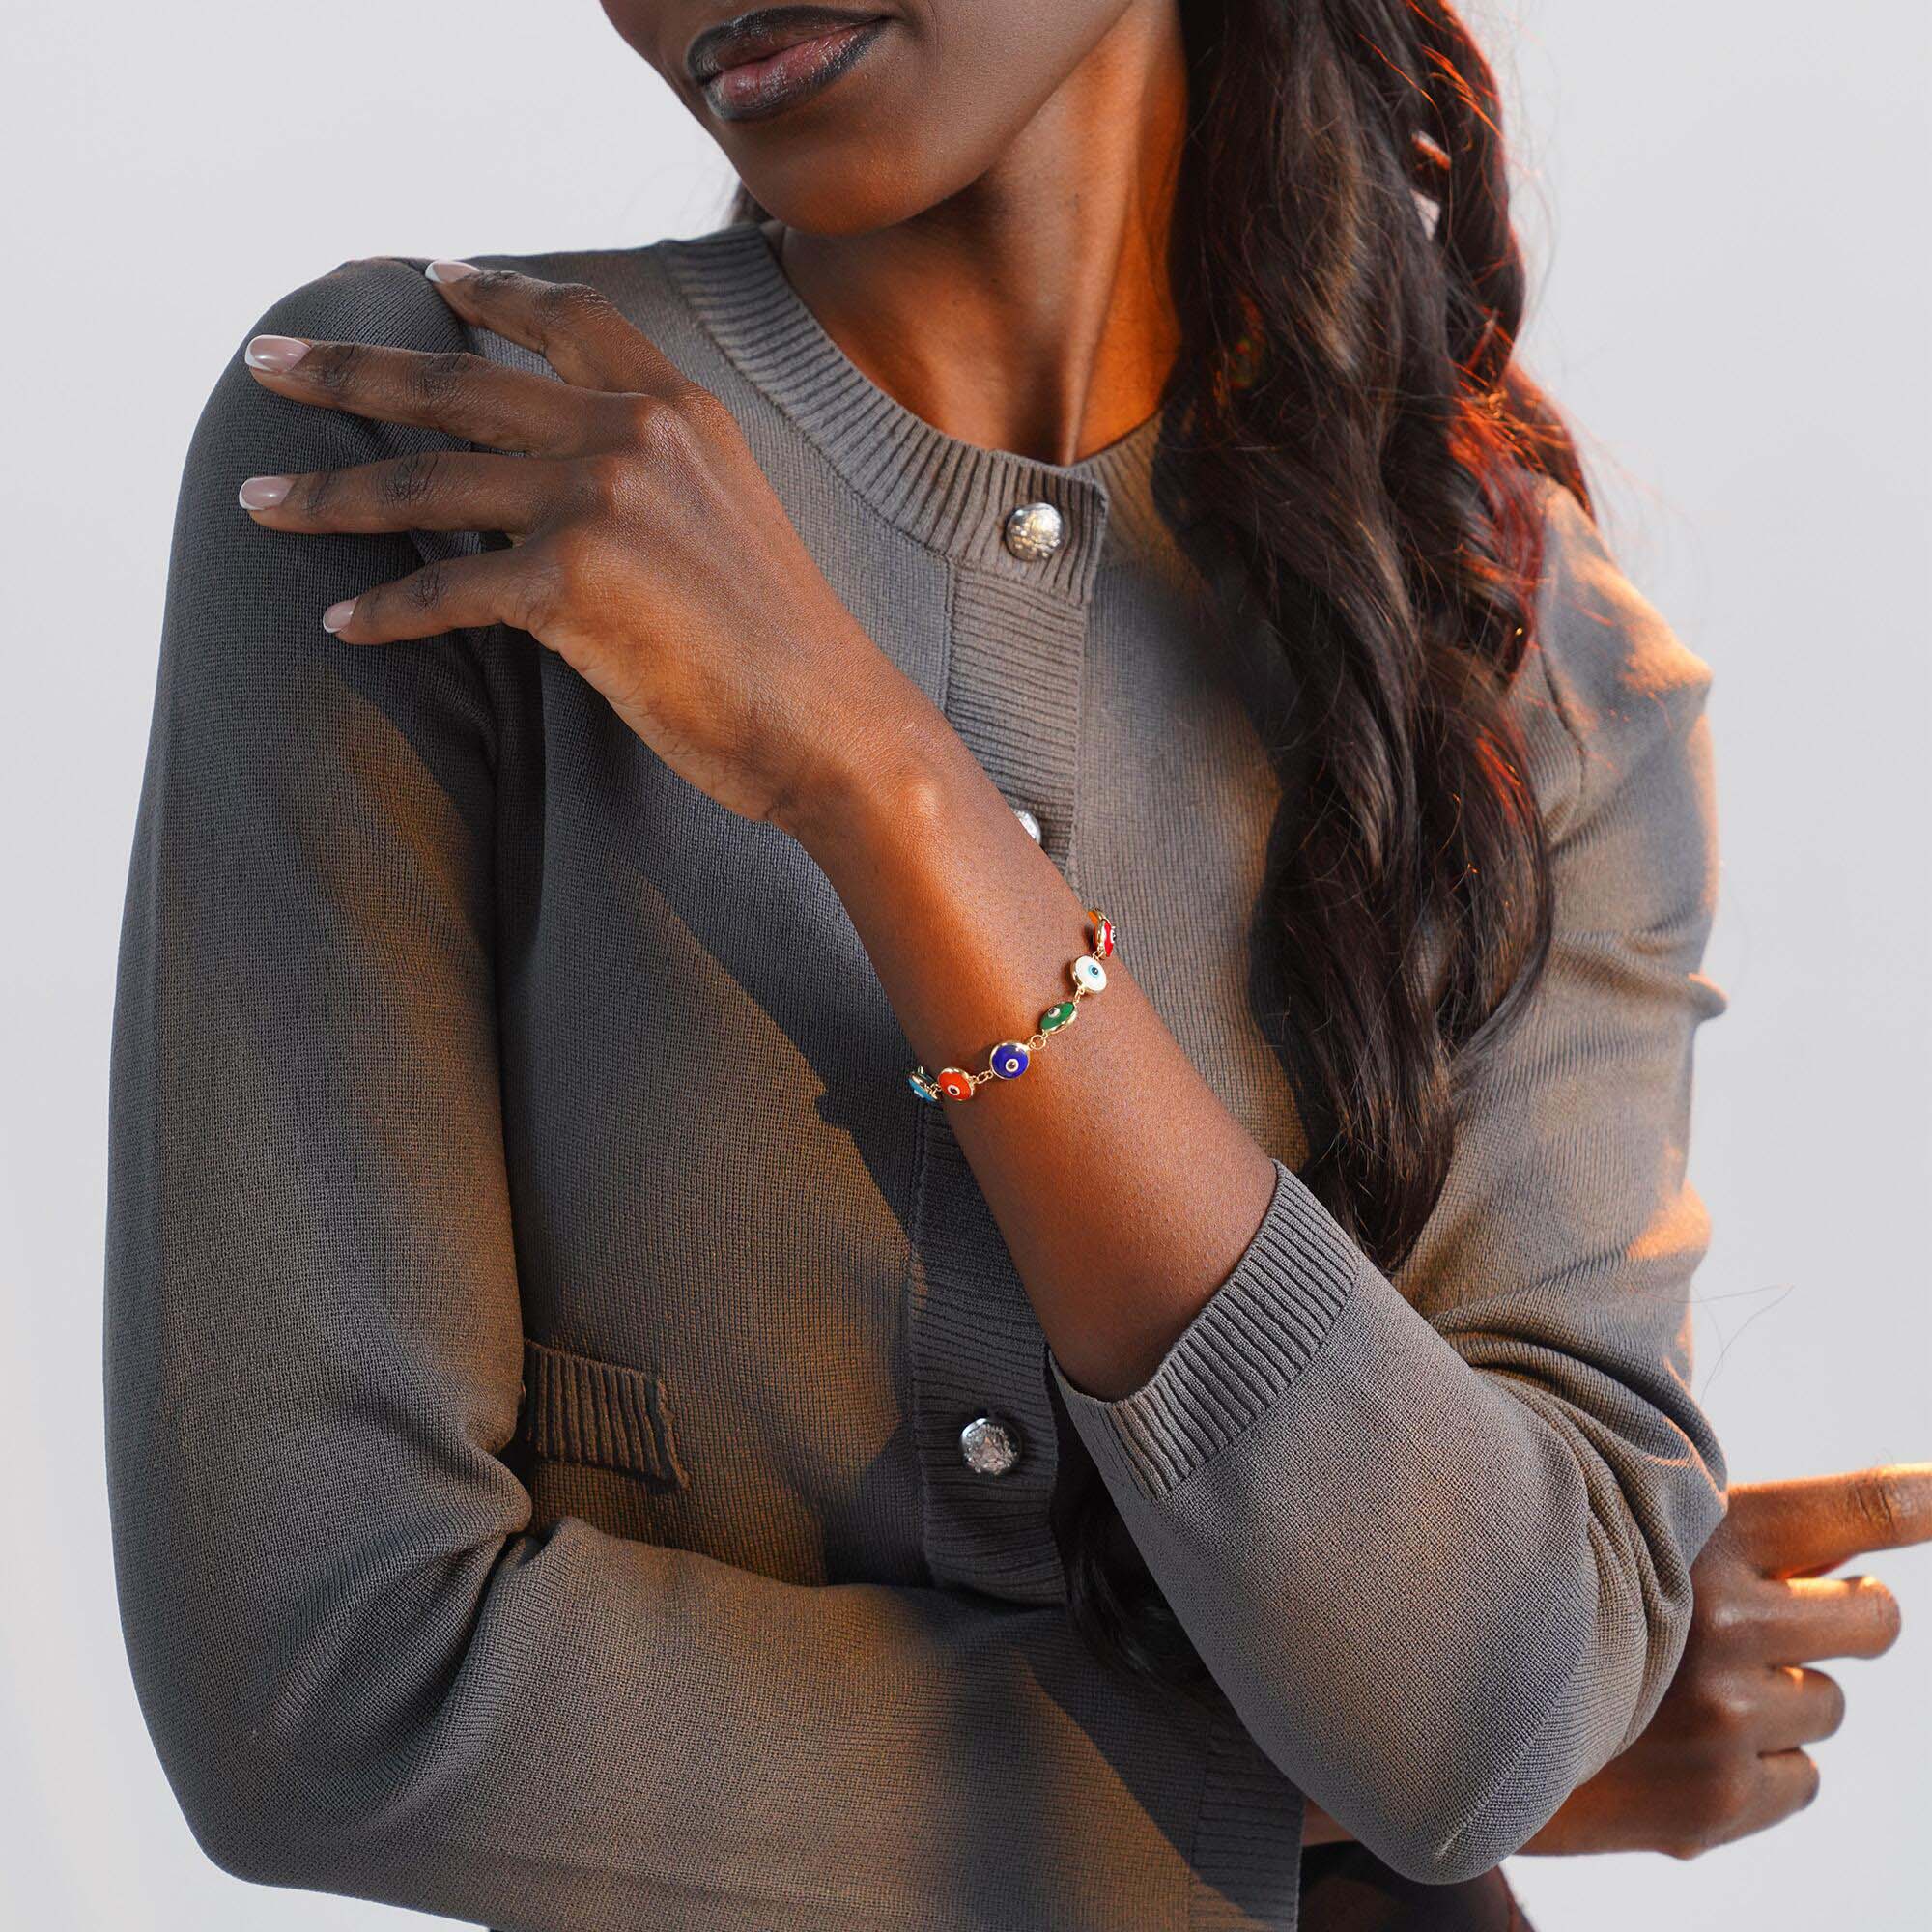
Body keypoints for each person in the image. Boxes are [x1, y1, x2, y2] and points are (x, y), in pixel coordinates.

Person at [101, 4, 1921, 1926]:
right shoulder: (443, 450)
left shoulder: (1539, 671)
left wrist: (885, 789)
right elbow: (318, 1691)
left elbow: (1478, 1709)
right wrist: (1299, 1785)